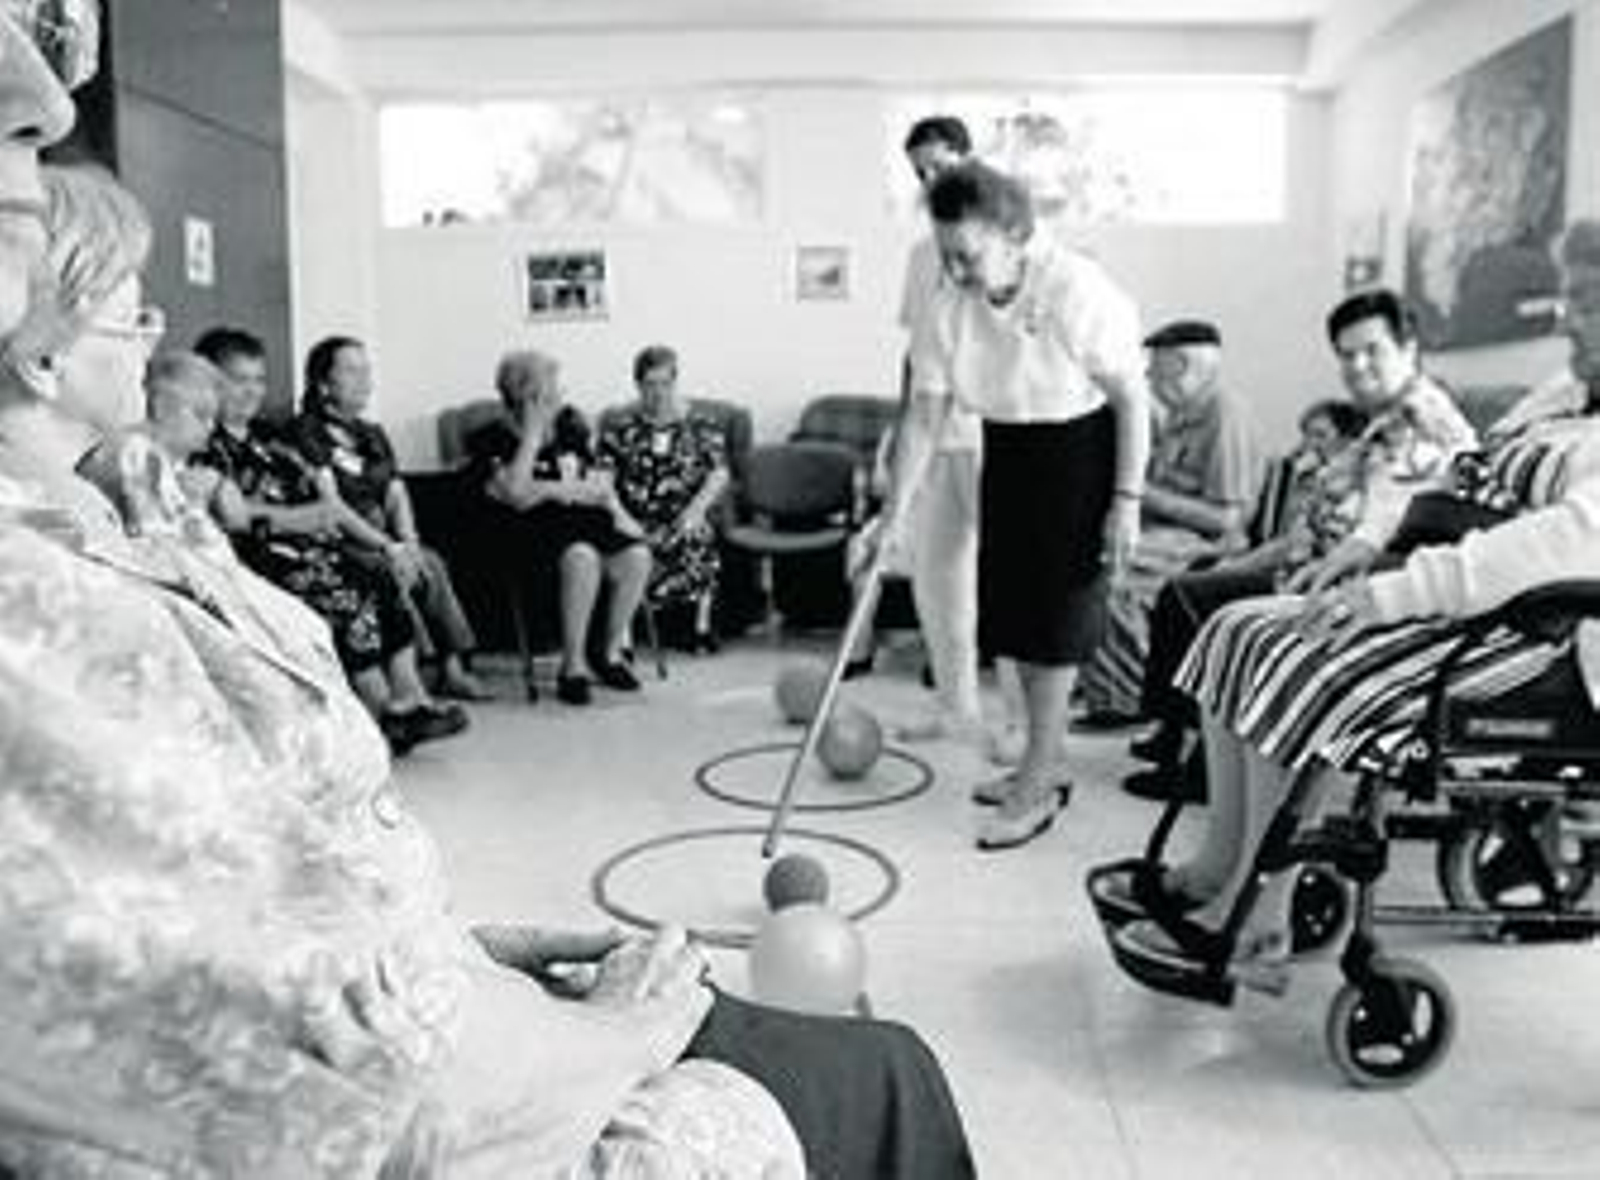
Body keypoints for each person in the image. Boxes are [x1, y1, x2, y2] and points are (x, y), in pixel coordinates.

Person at [0, 33, 977, 1178]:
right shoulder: (46, 614)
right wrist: (614, 1030)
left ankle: (543, 663)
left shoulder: (134, 500)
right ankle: (552, 666)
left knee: (596, 550)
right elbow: (323, 1058)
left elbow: (272, 881)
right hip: (412, 1083)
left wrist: (455, 947)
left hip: (419, 975)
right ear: (45, 364)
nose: (48, 94)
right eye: (137, 320)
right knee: (884, 1072)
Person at [1103, 220, 1600, 982]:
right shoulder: (1567, 392)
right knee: (1234, 628)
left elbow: (1556, 548)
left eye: (1590, 301)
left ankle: (1255, 925)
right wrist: (1373, 555)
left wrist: (1388, 595)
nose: (1571, 318)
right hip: (1469, 604)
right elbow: (1464, 472)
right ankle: (1217, 871)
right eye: (1573, 298)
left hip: (1537, 637)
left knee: (1289, 659)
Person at [882, 159, 1152, 850]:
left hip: (1081, 453)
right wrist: (893, 517)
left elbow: (1130, 397)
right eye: (946, 255)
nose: (956, 270)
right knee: (1015, 621)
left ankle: (1036, 781)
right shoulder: (949, 306)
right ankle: (1045, 759)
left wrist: (1126, 499)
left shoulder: (1071, 287)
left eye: (967, 255)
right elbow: (923, 417)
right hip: (1008, 449)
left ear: (1011, 234)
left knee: (1055, 627)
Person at [1120, 290, 1476, 802]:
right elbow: (1323, 524)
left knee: (1198, 602)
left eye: (1371, 351)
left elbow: (1379, 528)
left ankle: (1198, 763)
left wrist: (1297, 572)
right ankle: (1183, 742)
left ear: (1409, 348)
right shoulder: (1385, 418)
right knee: (1193, 591)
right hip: (1315, 566)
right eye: (1346, 355)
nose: (1357, 366)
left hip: (1360, 585)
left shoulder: (1419, 422)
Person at [189, 324, 467, 753]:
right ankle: (382, 712)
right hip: (258, 556)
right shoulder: (204, 443)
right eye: (238, 380)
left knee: (380, 573)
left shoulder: (274, 439)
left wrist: (388, 545)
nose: (252, 391)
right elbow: (233, 515)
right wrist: (298, 518)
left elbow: (330, 505)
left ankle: (412, 699)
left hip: (314, 546)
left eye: (259, 380)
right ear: (209, 381)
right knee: (345, 592)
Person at [1124, 395, 1369, 798]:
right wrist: (1231, 567)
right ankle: (1171, 728)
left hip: (1310, 589)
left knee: (1194, 601)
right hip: (1287, 573)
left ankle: (1202, 765)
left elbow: (1293, 549)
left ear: (1350, 438)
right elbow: (1285, 544)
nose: (1309, 444)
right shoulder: (1316, 479)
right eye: (1306, 434)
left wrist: (1232, 568)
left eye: (1321, 435)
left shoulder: (1356, 486)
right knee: (1180, 593)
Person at [847, 114, 1001, 750]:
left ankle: (1017, 725)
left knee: (1004, 584)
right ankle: (956, 708)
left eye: (939, 164)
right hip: (938, 437)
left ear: (969, 160)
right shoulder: (919, 257)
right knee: (939, 581)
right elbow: (915, 357)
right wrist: (903, 428)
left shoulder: (1003, 241)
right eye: (919, 172)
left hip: (996, 436)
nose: (930, 178)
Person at [1074, 318, 1264, 728]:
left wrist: (1142, 493)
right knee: (1086, 550)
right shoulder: (1183, 414)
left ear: (1179, 364)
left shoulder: (1224, 414)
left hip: (1212, 544)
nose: (1147, 374)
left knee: (1115, 567)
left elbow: (1229, 518)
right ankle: (1105, 684)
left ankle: (1124, 701)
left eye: (1154, 365)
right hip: (1171, 535)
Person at [293, 334, 491, 701]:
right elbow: (331, 506)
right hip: (341, 539)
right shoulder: (306, 431)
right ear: (322, 382)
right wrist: (389, 547)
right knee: (388, 571)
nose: (365, 380)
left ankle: (452, 668)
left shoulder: (371, 433)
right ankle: (410, 680)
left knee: (430, 562)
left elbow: (396, 492)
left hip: (385, 536)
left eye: (367, 370)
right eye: (352, 371)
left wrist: (408, 541)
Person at [466, 348, 652, 706]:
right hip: (525, 537)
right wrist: (533, 439)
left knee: (637, 557)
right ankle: (573, 664)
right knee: (582, 556)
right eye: (548, 388)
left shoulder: (571, 426)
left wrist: (548, 490)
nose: (558, 395)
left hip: (582, 523)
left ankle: (608, 653)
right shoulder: (489, 438)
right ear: (525, 395)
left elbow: (598, 487)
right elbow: (518, 498)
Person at [598, 343, 729, 652]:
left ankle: (701, 628)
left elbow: (719, 473)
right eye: (650, 384)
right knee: (623, 544)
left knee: (699, 536)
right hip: (634, 518)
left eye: (665, 383)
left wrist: (696, 510)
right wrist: (621, 517)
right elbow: (601, 481)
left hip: (682, 515)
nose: (658, 392)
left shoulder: (700, 425)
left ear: (675, 382)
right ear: (638, 385)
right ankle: (622, 636)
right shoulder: (620, 429)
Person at [76, 348, 230, 550]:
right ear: (162, 407)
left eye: (213, 418)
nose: (211, 426)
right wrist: (195, 507)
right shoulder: (135, 452)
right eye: (201, 415)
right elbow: (153, 539)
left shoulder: (160, 459)